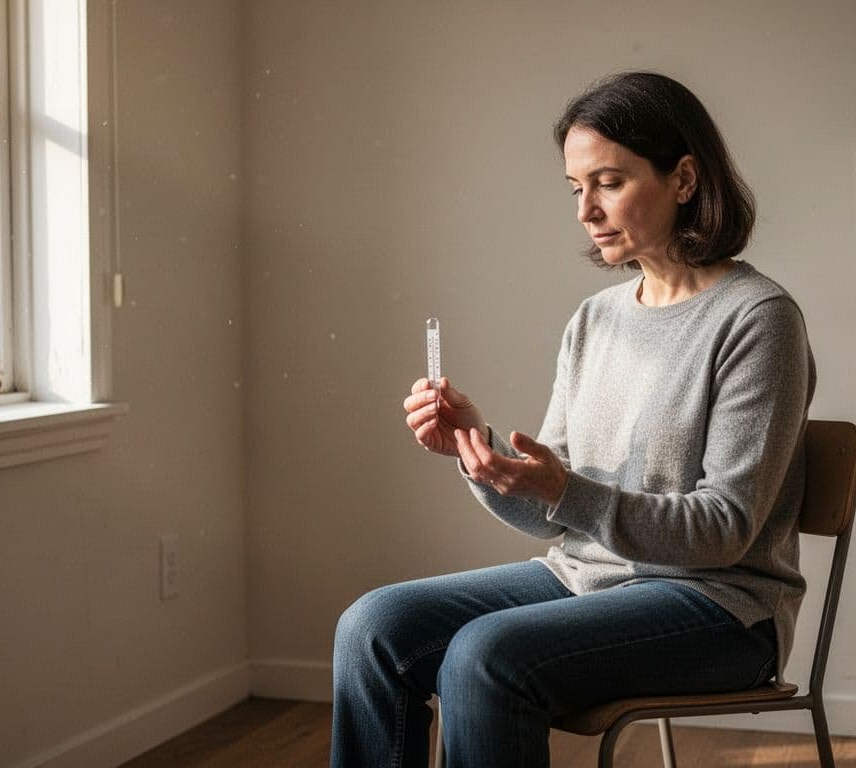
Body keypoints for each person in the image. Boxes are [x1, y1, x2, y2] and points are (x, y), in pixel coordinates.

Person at [332, 71, 815, 767]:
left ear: (684, 178)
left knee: (485, 655)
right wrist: (481, 449)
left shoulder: (757, 320)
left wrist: (563, 491)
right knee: (374, 626)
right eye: (575, 188)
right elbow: (557, 515)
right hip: (585, 578)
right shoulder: (597, 320)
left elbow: (724, 531)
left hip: (721, 607)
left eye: (610, 182)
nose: (586, 209)